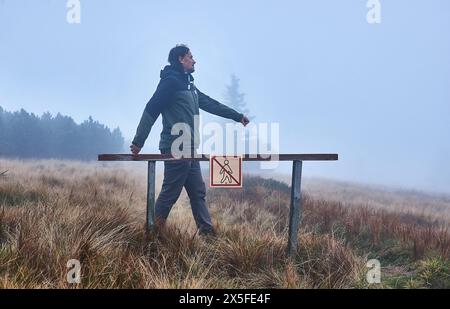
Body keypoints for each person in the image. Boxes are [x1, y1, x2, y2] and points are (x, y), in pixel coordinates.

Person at [130, 44, 249, 235]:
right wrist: (138, 142)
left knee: (197, 192)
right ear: (180, 59)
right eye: (191, 57)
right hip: (176, 147)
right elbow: (151, 109)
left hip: (191, 149)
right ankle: (151, 233)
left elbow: (210, 103)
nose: (194, 60)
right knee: (170, 193)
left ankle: (207, 233)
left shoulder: (189, 85)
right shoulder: (170, 83)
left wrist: (236, 116)